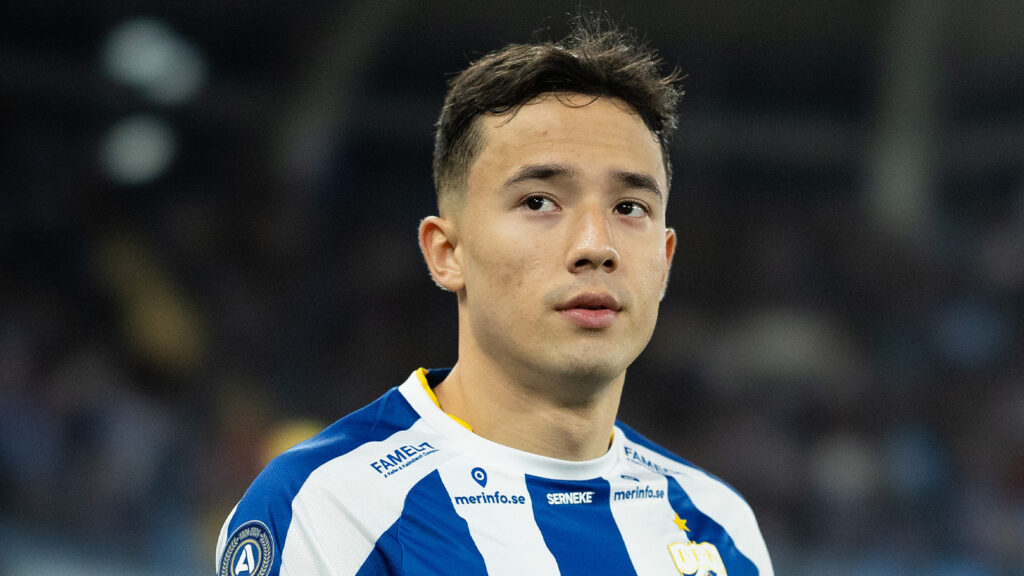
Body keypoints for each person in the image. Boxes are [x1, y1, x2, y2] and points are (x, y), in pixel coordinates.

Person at [216, 20, 774, 576]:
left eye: (630, 208)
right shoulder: (331, 509)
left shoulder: (719, 528)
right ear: (447, 253)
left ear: (665, 261)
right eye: (539, 202)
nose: (596, 246)